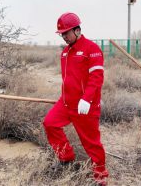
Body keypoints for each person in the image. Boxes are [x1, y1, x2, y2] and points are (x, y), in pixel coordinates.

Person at [43, 12, 109, 185]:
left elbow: (96, 78)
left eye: (66, 33)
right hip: (65, 103)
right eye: (62, 34)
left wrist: (87, 99)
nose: (64, 37)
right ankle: (66, 159)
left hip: (85, 106)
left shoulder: (92, 49)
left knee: (92, 144)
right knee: (50, 123)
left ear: (77, 30)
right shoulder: (65, 53)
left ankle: (100, 177)